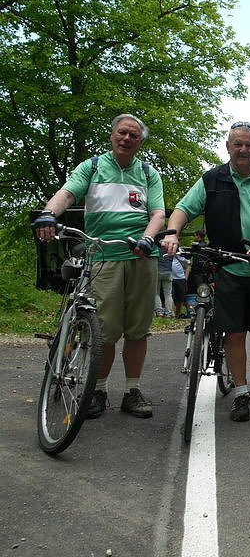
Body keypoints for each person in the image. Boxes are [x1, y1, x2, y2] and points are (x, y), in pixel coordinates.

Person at [32, 114, 166, 419]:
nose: (127, 139)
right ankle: (99, 389)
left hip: (141, 256)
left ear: (140, 141)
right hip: (103, 256)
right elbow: (66, 194)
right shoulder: (92, 167)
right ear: (112, 135)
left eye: (133, 135)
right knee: (104, 331)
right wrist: (48, 214)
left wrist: (148, 238)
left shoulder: (148, 173)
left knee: (137, 330)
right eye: (122, 133)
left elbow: (158, 214)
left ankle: (132, 390)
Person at [163, 121, 250, 422]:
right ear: (228, 147)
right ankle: (241, 394)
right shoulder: (212, 179)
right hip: (228, 268)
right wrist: (172, 232)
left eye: (248, 145)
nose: (243, 149)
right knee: (234, 334)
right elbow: (183, 209)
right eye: (238, 144)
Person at [155, 246, 174, 317]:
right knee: (168, 294)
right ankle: (168, 312)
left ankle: (159, 311)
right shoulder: (170, 247)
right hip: (168, 271)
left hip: (158, 271)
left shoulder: (157, 247)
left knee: (156, 293)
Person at [171, 252, 188, 318]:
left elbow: (187, 265)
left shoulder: (180, 253)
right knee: (170, 295)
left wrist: (185, 279)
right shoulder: (165, 253)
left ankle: (177, 314)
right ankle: (172, 313)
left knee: (180, 298)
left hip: (180, 278)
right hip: (170, 278)